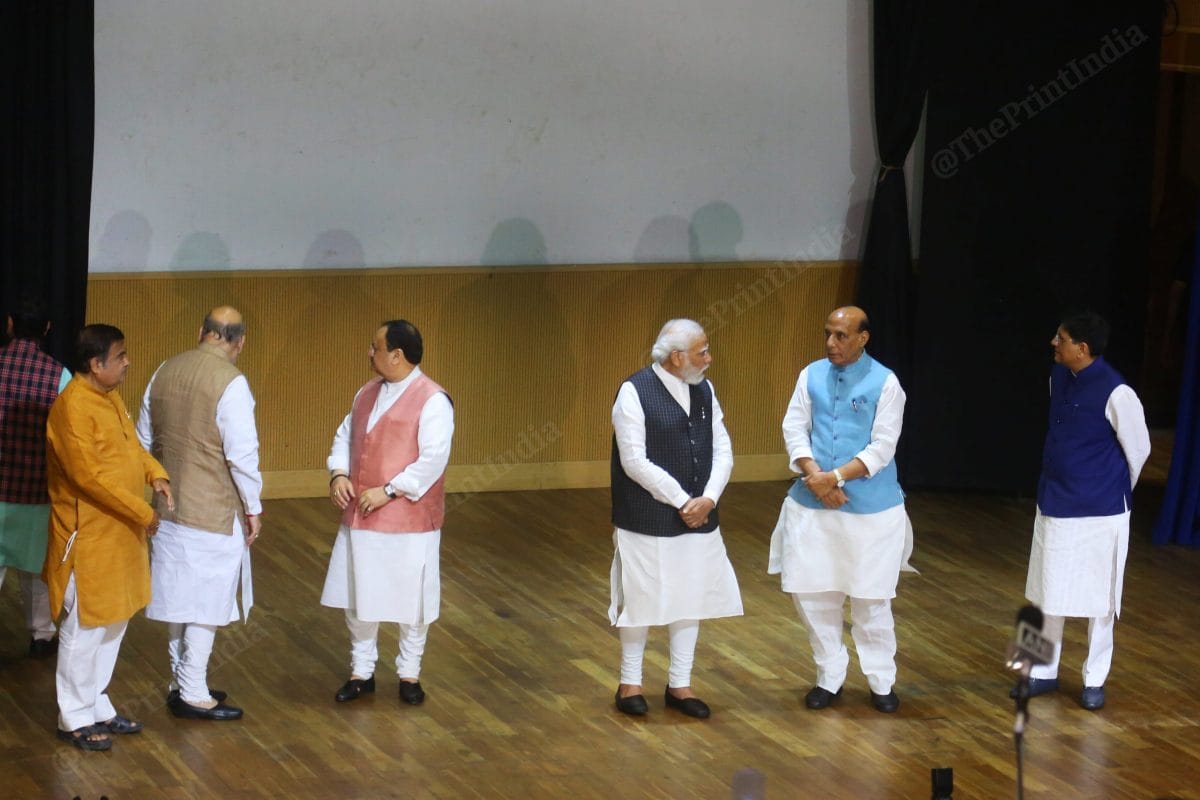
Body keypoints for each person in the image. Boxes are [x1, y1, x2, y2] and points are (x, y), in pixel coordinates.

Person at [768, 306, 915, 713]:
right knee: (813, 594)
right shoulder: (810, 373)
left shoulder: (886, 383)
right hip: (813, 503)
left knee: (870, 598)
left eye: (842, 336)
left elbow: (883, 447)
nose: (831, 343)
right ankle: (829, 675)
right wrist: (816, 476)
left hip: (869, 511)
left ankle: (881, 681)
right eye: (828, 334)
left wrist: (834, 479)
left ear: (863, 338)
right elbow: (794, 427)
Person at [45, 324, 173, 751]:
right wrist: (143, 513)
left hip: (121, 532)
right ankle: (73, 716)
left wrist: (155, 473)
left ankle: (96, 702)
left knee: (114, 621)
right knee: (86, 626)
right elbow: (89, 478)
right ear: (95, 364)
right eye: (120, 357)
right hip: (91, 535)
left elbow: (132, 448)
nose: (127, 362)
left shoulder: (109, 397)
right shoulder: (72, 408)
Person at [609, 318, 742, 719]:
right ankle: (630, 682)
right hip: (647, 516)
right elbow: (634, 461)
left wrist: (710, 498)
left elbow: (723, 448)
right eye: (702, 351)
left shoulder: (705, 389)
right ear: (677, 356)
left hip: (699, 516)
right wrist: (685, 500)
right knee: (643, 598)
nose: (709, 358)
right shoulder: (633, 392)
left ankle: (679, 684)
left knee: (691, 596)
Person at [136, 306, 262, 721]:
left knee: (178, 598)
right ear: (239, 342)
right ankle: (192, 690)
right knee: (206, 603)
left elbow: (143, 438)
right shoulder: (232, 383)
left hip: (169, 507)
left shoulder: (164, 371)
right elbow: (242, 456)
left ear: (202, 332)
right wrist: (253, 506)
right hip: (212, 510)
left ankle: (181, 681)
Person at [1020, 311, 1150, 711]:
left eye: (1060, 338)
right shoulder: (1057, 376)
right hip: (1054, 503)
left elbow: (1139, 449)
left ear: (1083, 348)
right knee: (1045, 591)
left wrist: (1109, 490)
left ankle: (1094, 680)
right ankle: (1039, 671)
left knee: (1101, 601)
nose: (1053, 343)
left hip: (1101, 513)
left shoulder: (1118, 392)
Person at [321, 320, 453, 706]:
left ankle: (409, 673)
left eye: (375, 347)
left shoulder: (433, 399)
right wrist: (339, 473)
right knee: (360, 596)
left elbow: (433, 459)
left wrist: (390, 490)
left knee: (412, 601)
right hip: (362, 516)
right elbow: (345, 436)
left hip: (409, 520)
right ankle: (362, 671)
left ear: (397, 355)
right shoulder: (366, 393)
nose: (369, 353)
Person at [0, 297, 70, 656]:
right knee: (36, 570)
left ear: (9, 323)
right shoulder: (60, 376)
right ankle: (41, 636)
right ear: (46, 329)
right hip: (35, 490)